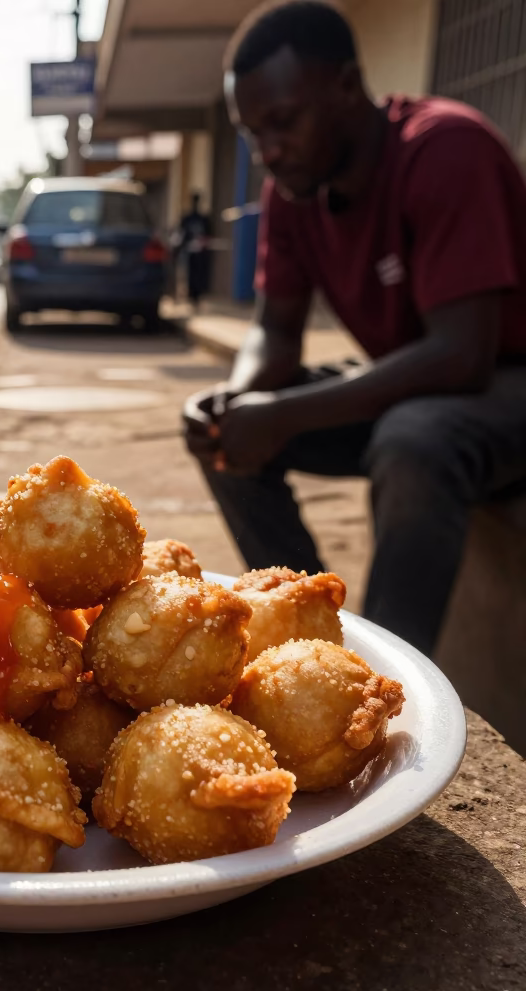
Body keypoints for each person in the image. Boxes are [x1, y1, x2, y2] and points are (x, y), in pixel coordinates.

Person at [182, 0, 526, 657]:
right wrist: (240, 399)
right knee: (227, 438)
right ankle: (310, 635)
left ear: (345, 87)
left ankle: (393, 674)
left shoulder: (446, 150)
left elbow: (463, 355)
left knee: (414, 439)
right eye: (252, 133)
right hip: (417, 382)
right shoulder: (292, 192)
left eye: (282, 122)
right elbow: (276, 331)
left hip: (503, 380)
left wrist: (283, 412)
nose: (269, 151)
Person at [177, 192, 213, 307]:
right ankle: (191, 295)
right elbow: (181, 234)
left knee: (200, 275)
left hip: (200, 252)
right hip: (189, 251)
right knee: (190, 274)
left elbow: (208, 234)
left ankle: (197, 296)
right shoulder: (187, 218)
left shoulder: (203, 219)